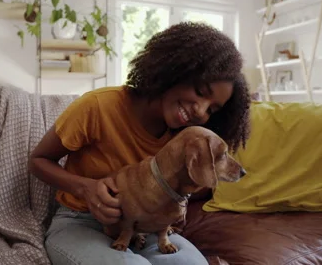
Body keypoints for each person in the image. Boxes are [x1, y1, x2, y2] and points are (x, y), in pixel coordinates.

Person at [29, 21, 251, 265]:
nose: (200, 110)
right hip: (80, 221)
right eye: (199, 91)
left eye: (212, 109)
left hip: (149, 229)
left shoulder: (187, 139)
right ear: (176, 69)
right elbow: (39, 160)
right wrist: (86, 189)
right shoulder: (97, 106)